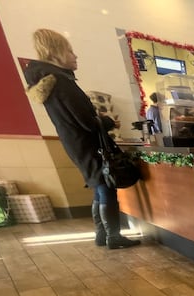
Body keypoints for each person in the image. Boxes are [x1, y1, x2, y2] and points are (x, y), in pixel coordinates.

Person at [23, 29, 139, 249]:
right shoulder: (62, 82)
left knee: (98, 185)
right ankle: (113, 236)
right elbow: (87, 122)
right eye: (70, 51)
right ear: (56, 53)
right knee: (105, 185)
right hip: (88, 143)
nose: (75, 56)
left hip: (76, 144)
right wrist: (108, 122)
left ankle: (102, 234)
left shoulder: (49, 83)